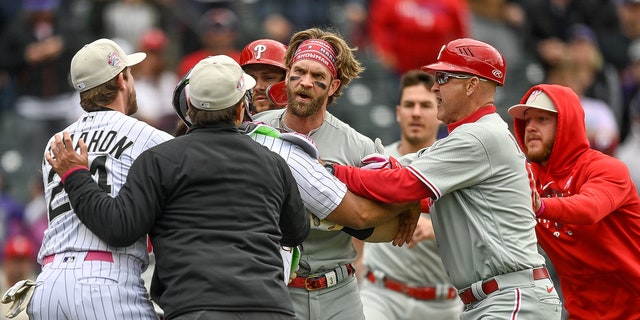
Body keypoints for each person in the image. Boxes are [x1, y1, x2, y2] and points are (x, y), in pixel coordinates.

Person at [45, 55, 310, 320]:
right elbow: (296, 232)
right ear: (241, 109)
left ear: (189, 104)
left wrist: (76, 175)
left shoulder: (159, 159)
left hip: (195, 308)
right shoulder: (273, 163)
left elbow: (119, 228)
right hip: (270, 308)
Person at [327, 38, 563, 319]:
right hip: (494, 298)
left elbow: (399, 184)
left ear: (472, 85)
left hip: (510, 298)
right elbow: (394, 173)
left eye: (443, 77)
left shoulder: (479, 136)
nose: (435, 87)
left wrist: (330, 172)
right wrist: (412, 201)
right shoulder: (473, 135)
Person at [27, 38, 173, 320]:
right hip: (105, 280)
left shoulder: (56, 142)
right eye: (129, 75)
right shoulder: (150, 137)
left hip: (48, 283)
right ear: (121, 79)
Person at [253, 27, 378, 320]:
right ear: (287, 74)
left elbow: (383, 218)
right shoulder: (256, 129)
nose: (306, 82)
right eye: (299, 71)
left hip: (339, 290)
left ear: (333, 86)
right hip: (275, 288)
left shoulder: (358, 145)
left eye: (318, 77)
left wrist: (405, 208)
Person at [508, 84, 640, 320]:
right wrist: (422, 200)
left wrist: (541, 207)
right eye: (527, 121)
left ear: (566, 125)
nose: (531, 128)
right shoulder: (526, 178)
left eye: (542, 119)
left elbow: (590, 208)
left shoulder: (606, 168)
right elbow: (478, 201)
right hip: (581, 312)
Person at [355, 70, 463, 320]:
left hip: (441, 303)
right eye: (409, 104)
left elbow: (483, 230)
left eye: (425, 105)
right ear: (397, 112)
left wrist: (435, 228)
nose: (416, 112)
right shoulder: (376, 163)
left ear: (439, 112)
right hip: (381, 295)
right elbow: (354, 217)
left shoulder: (458, 168)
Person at [239, 39, 288, 114]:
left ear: (287, 79)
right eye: (251, 79)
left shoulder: (305, 122)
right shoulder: (232, 123)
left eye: (269, 78)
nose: (258, 87)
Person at [0, 236, 36, 320]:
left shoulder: (37, 288)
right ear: (6, 261)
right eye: (15, 260)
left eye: (23, 260)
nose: (19, 266)